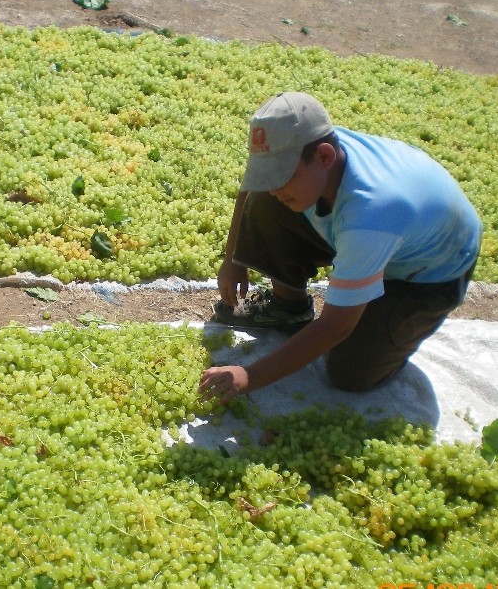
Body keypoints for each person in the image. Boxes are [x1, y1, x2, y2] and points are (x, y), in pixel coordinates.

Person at [198, 91, 482, 403]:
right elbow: (254, 187)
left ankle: (393, 321)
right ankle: (289, 308)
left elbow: (335, 327)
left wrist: (249, 376)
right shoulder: (312, 150)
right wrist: (233, 259)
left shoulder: (371, 214)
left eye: (281, 175)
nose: (274, 184)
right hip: (376, 236)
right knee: (269, 200)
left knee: (351, 374)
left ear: (324, 156)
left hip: (428, 273)